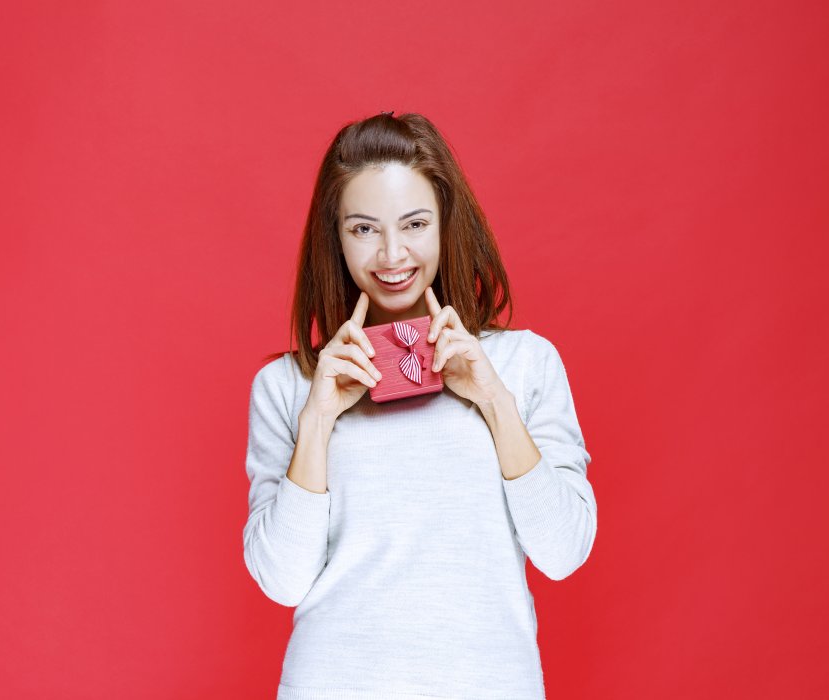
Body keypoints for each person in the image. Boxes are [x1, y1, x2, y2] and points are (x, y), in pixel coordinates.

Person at [242, 111, 597, 700]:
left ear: (444, 225)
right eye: (363, 229)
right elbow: (281, 581)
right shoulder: (288, 386)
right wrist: (318, 420)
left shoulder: (522, 365)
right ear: (335, 236)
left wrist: (493, 402)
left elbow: (563, 551)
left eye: (414, 223)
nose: (391, 253)